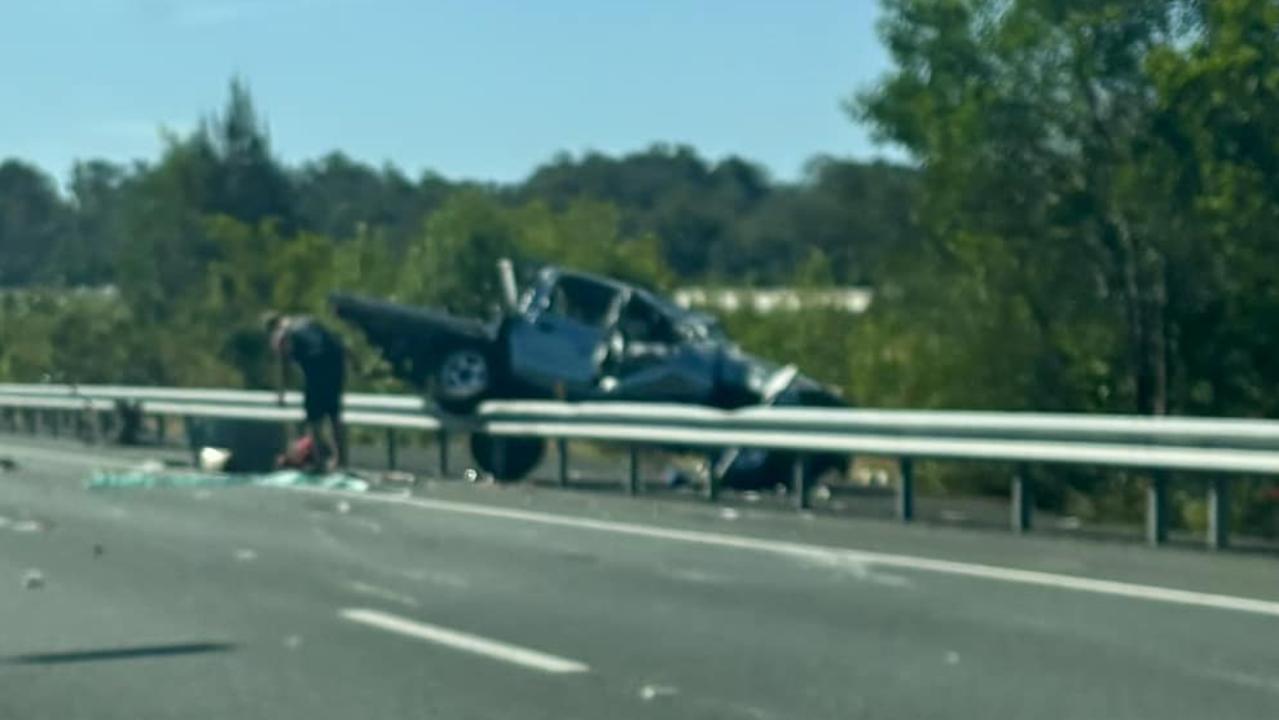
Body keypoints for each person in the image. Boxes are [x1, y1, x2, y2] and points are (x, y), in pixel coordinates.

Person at [264, 312, 347, 470]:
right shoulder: (308, 321)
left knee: (314, 418)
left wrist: (281, 394)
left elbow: (283, 364)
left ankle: (319, 461)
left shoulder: (281, 334)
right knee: (334, 414)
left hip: (315, 364)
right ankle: (340, 460)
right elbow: (337, 340)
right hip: (335, 362)